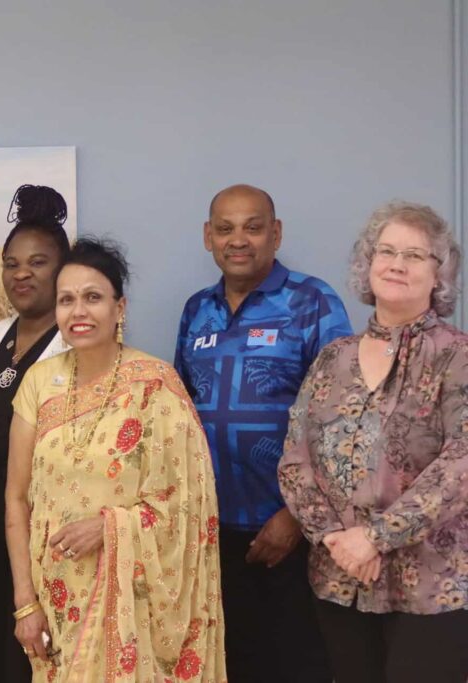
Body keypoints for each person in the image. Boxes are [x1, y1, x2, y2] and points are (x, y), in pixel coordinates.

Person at [7, 238, 226, 682]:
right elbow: (16, 499)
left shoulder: (156, 384)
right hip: (58, 595)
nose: (79, 312)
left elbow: (188, 505)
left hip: (138, 603)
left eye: (93, 297)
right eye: (67, 300)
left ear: (119, 306)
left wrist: (109, 528)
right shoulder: (38, 383)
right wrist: (25, 603)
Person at [279, 201, 468, 683]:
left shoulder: (456, 355)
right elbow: (295, 460)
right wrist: (336, 540)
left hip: (430, 584)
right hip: (339, 580)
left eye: (414, 255)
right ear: (368, 263)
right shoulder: (333, 358)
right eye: (386, 251)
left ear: (439, 273)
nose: (397, 264)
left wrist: (376, 539)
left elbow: (460, 463)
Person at [174, 184, 350, 682]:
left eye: (253, 227)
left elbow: (341, 423)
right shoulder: (196, 310)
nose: (239, 240)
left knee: (296, 665)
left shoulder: (312, 301)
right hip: (210, 531)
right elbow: (180, 418)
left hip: (291, 533)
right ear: (208, 237)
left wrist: (295, 515)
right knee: (228, 664)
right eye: (225, 228)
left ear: (276, 233)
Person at [0, 184, 70, 683]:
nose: (21, 274)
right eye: (11, 263)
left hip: (42, 533)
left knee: (34, 657)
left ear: (63, 271)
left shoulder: (75, 348)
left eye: (38, 262)